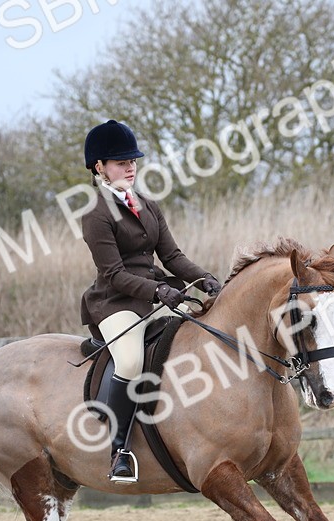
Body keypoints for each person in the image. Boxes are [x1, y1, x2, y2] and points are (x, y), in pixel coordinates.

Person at [78, 119, 222, 483]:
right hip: (116, 301)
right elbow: (113, 274)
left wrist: (204, 278)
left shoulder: (148, 205)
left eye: (133, 161)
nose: (130, 167)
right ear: (100, 168)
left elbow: (172, 257)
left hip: (156, 294)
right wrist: (158, 291)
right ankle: (119, 451)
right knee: (130, 359)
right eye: (120, 162)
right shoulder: (96, 215)